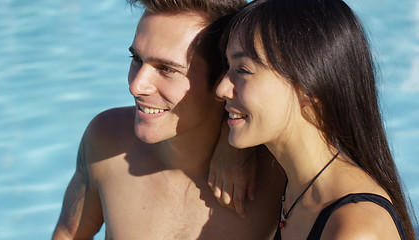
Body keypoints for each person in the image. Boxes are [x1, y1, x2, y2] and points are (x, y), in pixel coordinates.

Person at [52, 0, 285, 239]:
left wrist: (235, 145)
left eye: (166, 69)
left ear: (222, 80)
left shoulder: (279, 173)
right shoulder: (106, 139)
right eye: (137, 59)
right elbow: (68, 234)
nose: (136, 86)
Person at [215, 0, 417, 239]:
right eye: (228, 67)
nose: (221, 89)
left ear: (309, 88)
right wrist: (228, 148)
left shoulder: (356, 229)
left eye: (243, 70)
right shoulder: (299, 192)